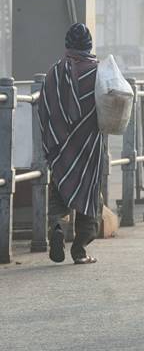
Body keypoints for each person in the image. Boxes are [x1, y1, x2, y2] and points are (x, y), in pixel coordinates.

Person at [37, 23, 104, 265]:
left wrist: (51, 141)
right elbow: (112, 105)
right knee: (89, 193)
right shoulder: (98, 72)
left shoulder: (53, 73)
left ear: (67, 45)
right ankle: (80, 249)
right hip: (89, 147)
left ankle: (57, 226)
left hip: (60, 147)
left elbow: (43, 110)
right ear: (89, 45)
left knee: (59, 191)